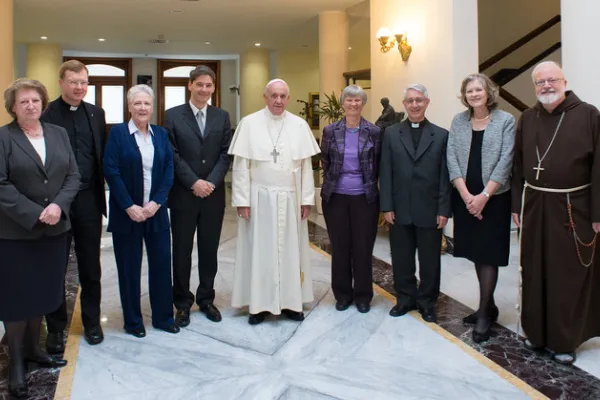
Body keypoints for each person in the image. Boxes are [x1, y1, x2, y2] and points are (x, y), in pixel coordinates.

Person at [512, 61, 600, 365]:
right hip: (535, 204)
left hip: (575, 206)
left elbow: (599, 167)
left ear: (563, 81)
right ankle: (536, 334)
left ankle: (564, 340)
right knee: (535, 270)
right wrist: (515, 205)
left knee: (566, 275)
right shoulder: (527, 117)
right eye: (539, 83)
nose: (546, 86)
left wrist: (598, 213)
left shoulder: (589, 115)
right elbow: (517, 165)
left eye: (551, 80)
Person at [0, 79, 79, 397]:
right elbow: (1, 183)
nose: (30, 106)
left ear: (43, 103)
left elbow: (73, 175)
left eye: (35, 100)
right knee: (17, 298)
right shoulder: (4, 138)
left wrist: (58, 206)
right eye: (23, 102)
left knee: (44, 295)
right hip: (15, 233)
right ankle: (17, 360)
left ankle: (35, 349)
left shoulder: (58, 134)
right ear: (13, 108)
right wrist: (34, 212)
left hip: (55, 230)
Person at [229, 78, 320, 325]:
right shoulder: (249, 124)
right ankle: (258, 305)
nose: (278, 100)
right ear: (265, 97)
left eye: (282, 96)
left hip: (290, 198)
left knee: (292, 252)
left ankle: (291, 303)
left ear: (288, 99)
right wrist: (242, 200)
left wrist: (306, 199)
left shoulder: (299, 126)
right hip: (259, 198)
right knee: (259, 251)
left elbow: (305, 167)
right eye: (273, 96)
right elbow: (240, 167)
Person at [41, 60, 107, 352]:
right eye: (73, 82)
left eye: (84, 82)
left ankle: (92, 322)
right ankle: (55, 328)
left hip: (90, 200)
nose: (79, 87)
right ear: (61, 83)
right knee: (55, 267)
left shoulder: (96, 113)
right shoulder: (45, 115)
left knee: (91, 266)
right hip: (57, 203)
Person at [104, 85, 179, 337]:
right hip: (127, 214)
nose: (143, 108)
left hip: (155, 212)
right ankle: (133, 322)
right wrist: (129, 206)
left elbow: (168, 169)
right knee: (129, 269)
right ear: (129, 106)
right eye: (137, 103)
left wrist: (157, 203)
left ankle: (163, 318)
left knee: (160, 265)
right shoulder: (117, 133)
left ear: (152, 107)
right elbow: (111, 171)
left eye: (147, 103)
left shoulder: (160, 134)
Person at [447, 73, 515, 343]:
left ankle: (486, 312)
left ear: (488, 92)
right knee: (476, 251)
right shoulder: (459, 121)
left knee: (489, 253)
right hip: (466, 197)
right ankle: (488, 304)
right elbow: (451, 157)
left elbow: (506, 160)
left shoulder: (505, 121)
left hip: (494, 198)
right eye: (469, 91)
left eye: (478, 90)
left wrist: (484, 196)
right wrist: (466, 195)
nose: (473, 94)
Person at [165, 65, 232, 327]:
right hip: (184, 194)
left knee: (209, 249)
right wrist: (193, 182)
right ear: (190, 85)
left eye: (209, 85)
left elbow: (226, 153)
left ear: (213, 88)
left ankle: (206, 298)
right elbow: (172, 153)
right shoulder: (172, 116)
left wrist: (210, 182)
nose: (204, 89)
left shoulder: (221, 116)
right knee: (181, 250)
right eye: (199, 84)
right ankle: (182, 303)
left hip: (212, 196)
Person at [379, 84, 451, 323]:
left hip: (430, 209)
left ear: (427, 103)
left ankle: (427, 302)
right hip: (399, 209)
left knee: (430, 260)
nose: (414, 104)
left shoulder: (441, 135)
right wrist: (386, 206)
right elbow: (385, 171)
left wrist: (444, 209)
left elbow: (444, 175)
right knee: (401, 258)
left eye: (419, 100)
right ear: (404, 104)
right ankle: (405, 298)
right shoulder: (390, 133)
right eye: (410, 100)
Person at [320, 85, 382, 313]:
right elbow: (325, 162)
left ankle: (363, 295)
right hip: (335, 197)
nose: (353, 104)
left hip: (365, 198)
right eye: (349, 100)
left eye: (358, 101)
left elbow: (377, 165)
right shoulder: (330, 131)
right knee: (340, 246)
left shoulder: (374, 131)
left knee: (363, 247)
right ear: (343, 103)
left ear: (363, 104)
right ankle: (343, 295)